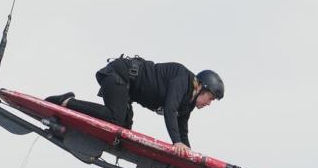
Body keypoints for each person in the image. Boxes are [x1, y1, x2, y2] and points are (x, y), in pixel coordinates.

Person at [45, 55, 224, 157]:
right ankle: (67, 101)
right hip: (118, 76)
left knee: (122, 132)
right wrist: (176, 142)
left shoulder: (188, 102)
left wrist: (187, 151)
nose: (209, 103)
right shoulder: (183, 79)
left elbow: (182, 126)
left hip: (126, 90)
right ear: (202, 87)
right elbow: (170, 110)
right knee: (114, 119)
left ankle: (81, 130)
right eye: (210, 98)